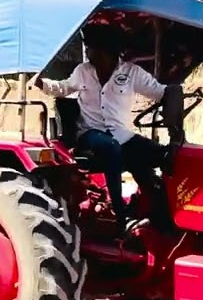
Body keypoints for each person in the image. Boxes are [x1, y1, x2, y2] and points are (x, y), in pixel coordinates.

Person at [34, 24, 168, 236]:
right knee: (112, 147)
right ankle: (121, 214)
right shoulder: (83, 72)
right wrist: (42, 83)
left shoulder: (132, 73)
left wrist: (174, 95)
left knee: (159, 154)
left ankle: (157, 210)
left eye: (91, 47)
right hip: (89, 134)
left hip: (121, 133)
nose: (87, 52)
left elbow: (161, 92)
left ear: (107, 50)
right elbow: (63, 88)